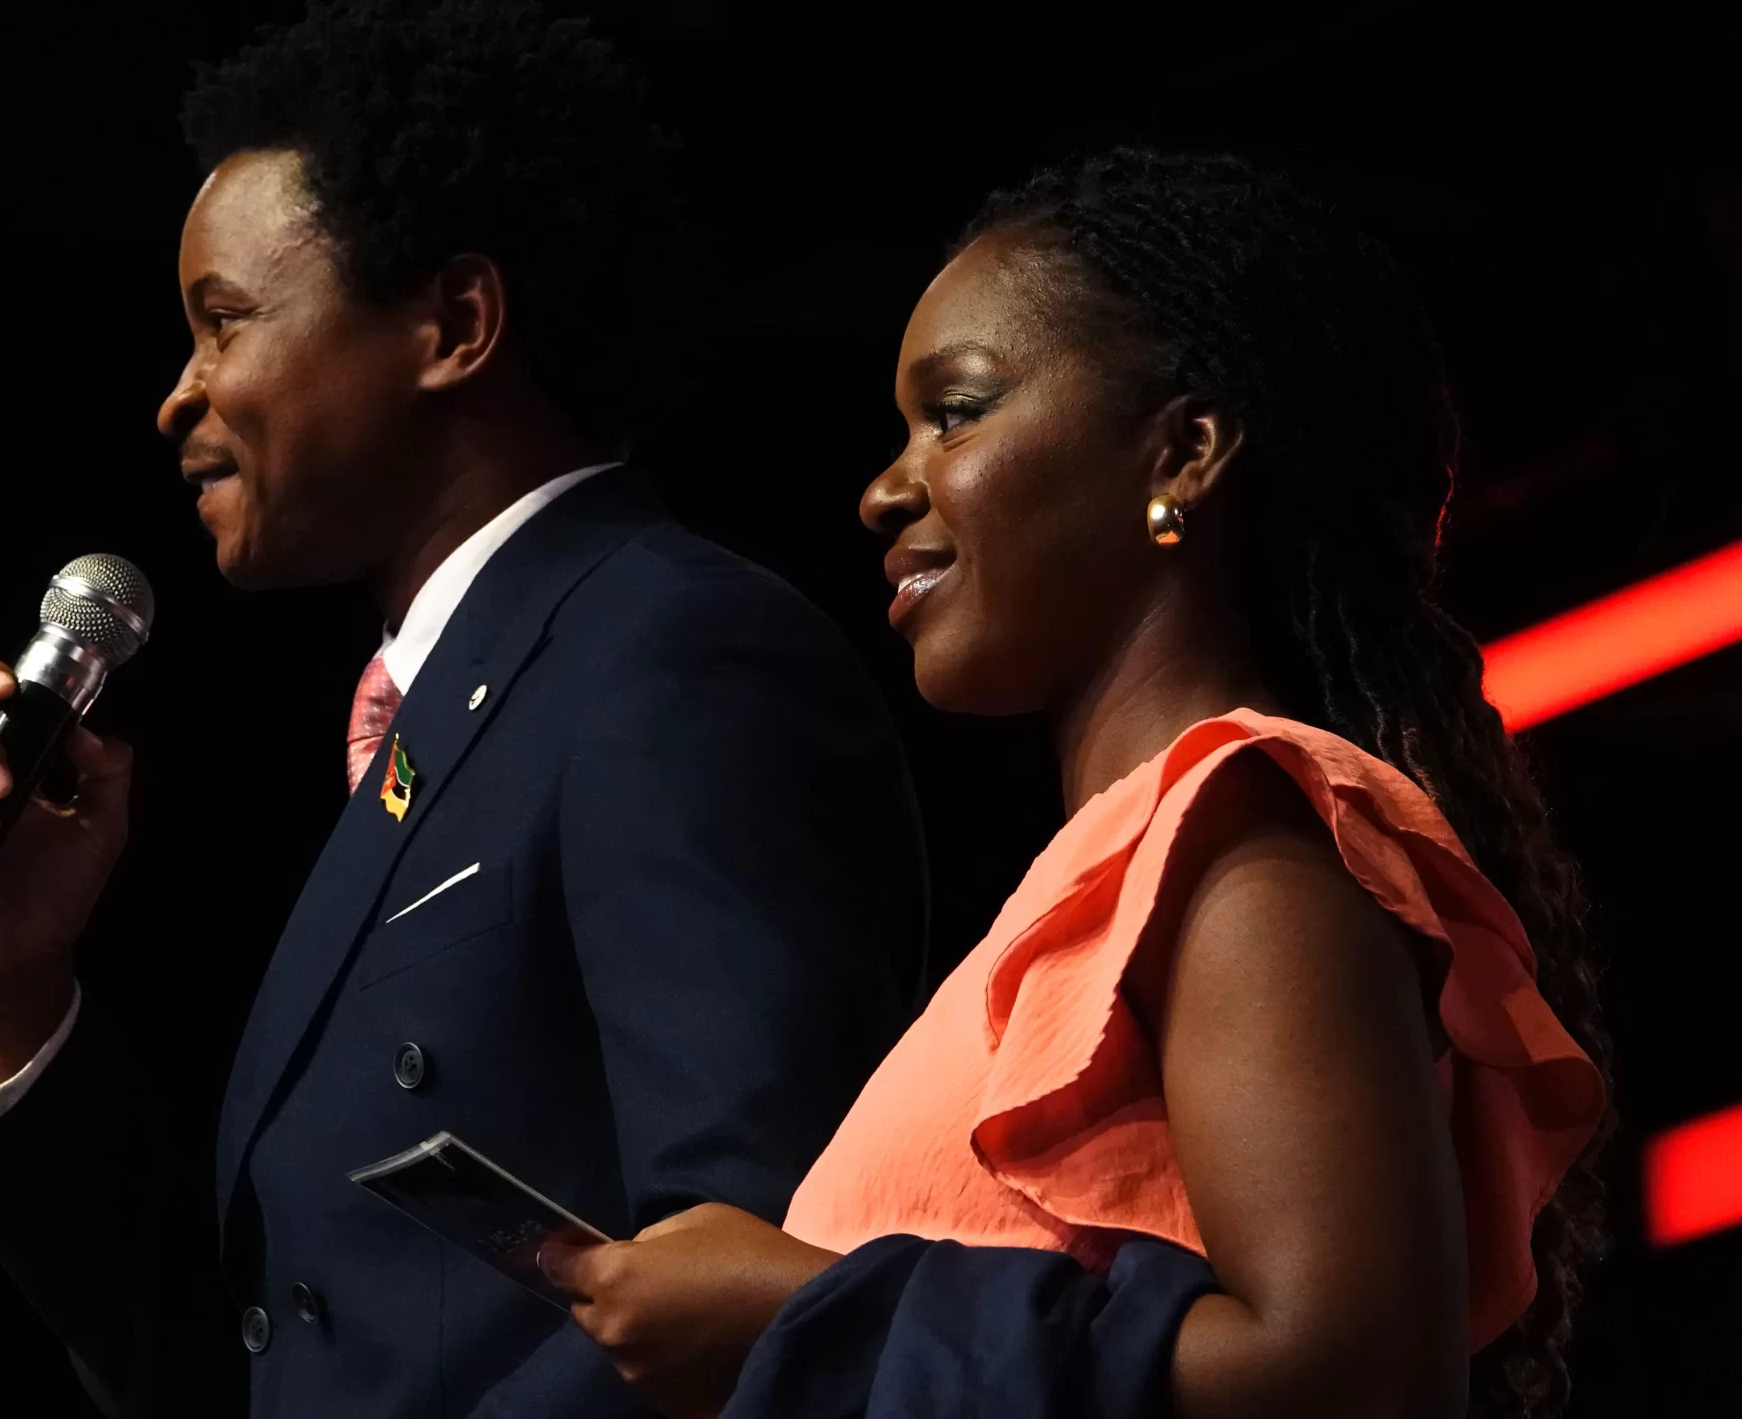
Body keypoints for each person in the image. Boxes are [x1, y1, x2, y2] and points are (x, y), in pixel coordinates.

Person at [0, 0, 925, 1416]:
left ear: (455, 323)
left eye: (224, 322)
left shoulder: (674, 654)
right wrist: (8, 994)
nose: (179, 396)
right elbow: (247, 1371)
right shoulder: (440, 708)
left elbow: (755, 1300)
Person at [543, 149, 1610, 1419]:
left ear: (1184, 453)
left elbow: (1353, 1379)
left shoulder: (1241, 839)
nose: (883, 490)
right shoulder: (1114, 878)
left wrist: (804, 1312)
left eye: (956, 412)